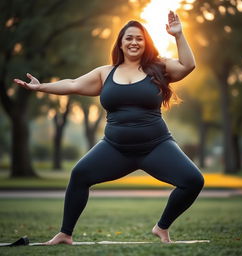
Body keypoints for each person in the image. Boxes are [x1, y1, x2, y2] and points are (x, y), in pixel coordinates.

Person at [14, 10, 204, 244]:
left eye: (139, 38)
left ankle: (162, 227)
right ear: (121, 44)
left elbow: (188, 65)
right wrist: (41, 87)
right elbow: (73, 84)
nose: (134, 42)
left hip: (157, 146)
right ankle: (65, 233)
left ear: (146, 44)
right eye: (129, 38)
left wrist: (178, 35)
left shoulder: (159, 67)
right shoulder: (106, 73)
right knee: (79, 175)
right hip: (116, 148)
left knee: (193, 181)